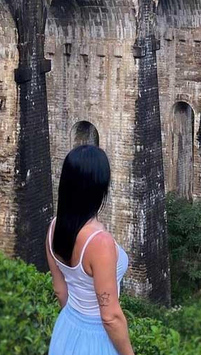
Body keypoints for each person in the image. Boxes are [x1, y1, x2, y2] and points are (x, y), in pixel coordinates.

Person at [46, 145, 134, 355]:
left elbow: (60, 290)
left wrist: (77, 323)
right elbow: (110, 316)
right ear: (99, 188)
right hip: (97, 338)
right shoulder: (99, 243)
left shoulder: (54, 227)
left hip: (67, 327)